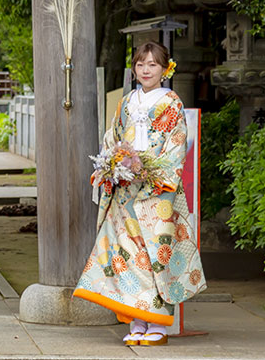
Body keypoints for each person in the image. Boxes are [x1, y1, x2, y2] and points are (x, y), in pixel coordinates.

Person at [73, 42, 205, 346]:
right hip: (125, 190)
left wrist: (152, 173)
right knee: (126, 254)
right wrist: (113, 163)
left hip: (157, 192)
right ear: (135, 69)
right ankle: (136, 320)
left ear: (164, 69)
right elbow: (113, 137)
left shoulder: (171, 102)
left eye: (153, 65)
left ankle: (157, 322)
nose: (146, 70)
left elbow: (176, 145)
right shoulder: (127, 102)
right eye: (141, 64)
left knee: (154, 255)